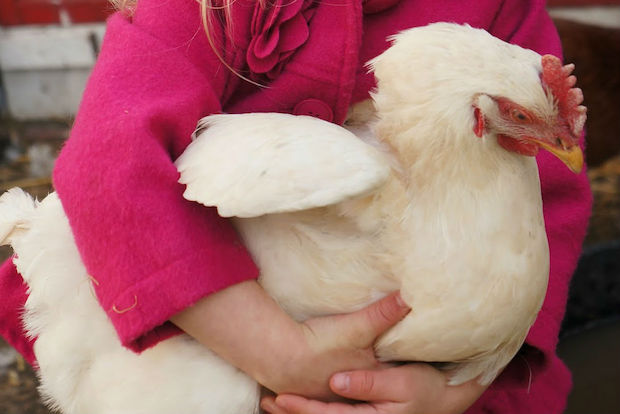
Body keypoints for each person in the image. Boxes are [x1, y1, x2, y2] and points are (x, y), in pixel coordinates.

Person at [0, 0, 591, 413]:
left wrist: (459, 389)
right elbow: (109, 165)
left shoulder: (504, 11)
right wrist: (278, 353)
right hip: (179, 315)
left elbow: (554, 206)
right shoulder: (200, 8)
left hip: (409, 368)